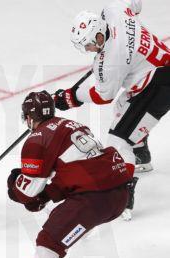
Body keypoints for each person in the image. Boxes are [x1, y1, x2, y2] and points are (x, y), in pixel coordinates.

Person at [1, 91, 131, 258]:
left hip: (95, 200)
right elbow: (75, 171)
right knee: (57, 229)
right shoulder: (72, 125)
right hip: (118, 194)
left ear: (29, 116)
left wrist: (14, 185)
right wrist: (48, 194)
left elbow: (25, 192)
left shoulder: (37, 139)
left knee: (49, 241)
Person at [53, 0, 170, 219]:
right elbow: (135, 4)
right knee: (123, 106)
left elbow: (102, 95)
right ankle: (141, 155)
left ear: (99, 36)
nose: (87, 49)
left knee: (118, 142)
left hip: (159, 85)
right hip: (156, 71)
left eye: (88, 44)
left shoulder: (110, 61)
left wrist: (70, 97)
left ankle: (124, 191)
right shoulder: (115, 10)